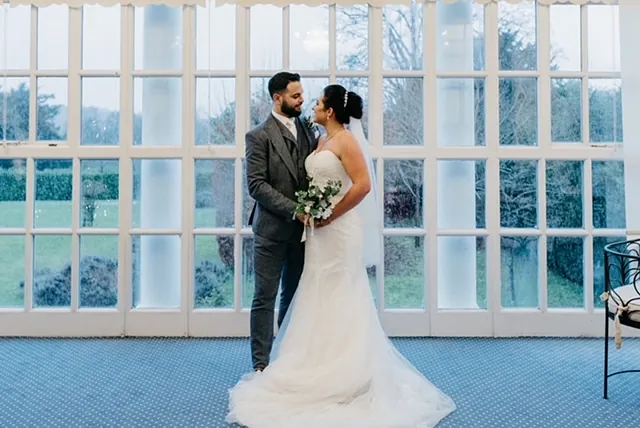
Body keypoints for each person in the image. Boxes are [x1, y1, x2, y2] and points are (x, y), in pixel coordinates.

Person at [227, 84, 456, 427]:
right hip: (312, 233)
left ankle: (348, 373)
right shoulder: (317, 138)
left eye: (317, 101)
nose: (310, 105)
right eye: (302, 97)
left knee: (342, 294)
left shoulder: (346, 140)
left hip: (337, 230)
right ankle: (300, 364)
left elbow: (362, 185)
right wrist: (310, 210)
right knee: (311, 295)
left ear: (330, 110)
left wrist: (330, 213)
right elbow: (267, 182)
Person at [244, 72, 318, 372]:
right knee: (265, 297)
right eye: (296, 96)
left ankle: (287, 357)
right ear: (278, 98)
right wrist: (295, 209)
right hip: (271, 232)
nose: (302, 100)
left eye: (302, 94)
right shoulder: (258, 136)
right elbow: (257, 185)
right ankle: (261, 365)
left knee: (295, 296)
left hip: (304, 234)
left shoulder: (308, 129)